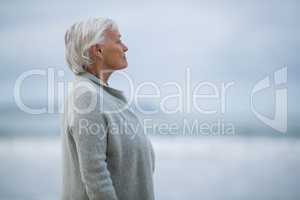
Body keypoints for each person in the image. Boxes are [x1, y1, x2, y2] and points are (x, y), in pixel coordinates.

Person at [60, 17, 155, 200]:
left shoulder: (104, 96)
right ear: (98, 50)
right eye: (118, 40)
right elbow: (96, 177)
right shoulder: (86, 96)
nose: (125, 47)